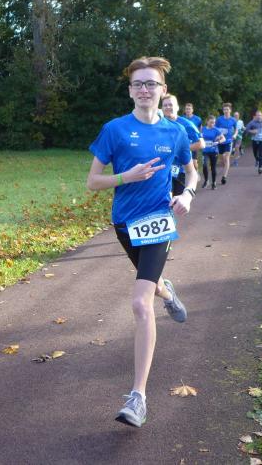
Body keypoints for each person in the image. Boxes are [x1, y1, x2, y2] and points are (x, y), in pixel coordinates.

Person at [87, 56, 197, 428]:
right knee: (152, 287)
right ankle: (167, 291)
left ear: (163, 90)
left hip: (159, 223)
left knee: (139, 301)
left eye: (151, 83)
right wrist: (126, 177)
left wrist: (187, 195)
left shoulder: (175, 132)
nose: (145, 89)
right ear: (130, 91)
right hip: (125, 224)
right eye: (138, 84)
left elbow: (191, 172)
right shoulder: (115, 130)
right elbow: (93, 182)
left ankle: (138, 398)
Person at [162, 94, 204, 195]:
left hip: (181, 169)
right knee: (165, 199)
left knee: (177, 201)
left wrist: (180, 150)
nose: (168, 107)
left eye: (170, 105)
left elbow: (201, 144)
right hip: (163, 168)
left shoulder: (186, 124)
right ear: (162, 108)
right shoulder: (157, 124)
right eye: (165, 105)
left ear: (177, 107)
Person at [200, 116, 225, 189]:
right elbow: (199, 137)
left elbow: (224, 139)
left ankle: (214, 183)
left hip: (214, 151)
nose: (212, 124)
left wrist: (218, 142)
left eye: (214, 122)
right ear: (207, 121)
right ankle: (206, 181)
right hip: (205, 151)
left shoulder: (216, 130)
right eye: (211, 122)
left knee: (213, 167)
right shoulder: (203, 129)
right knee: (204, 165)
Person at [215, 103, 237, 185]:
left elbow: (236, 129)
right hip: (221, 141)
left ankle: (224, 177)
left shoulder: (233, 120)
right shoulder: (219, 119)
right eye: (224, 109)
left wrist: (235, 135)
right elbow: (215, 128)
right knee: (222, 158)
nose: (226, 111)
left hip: (229, 141)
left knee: (226, 157)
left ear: (230, 110)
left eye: (227, 109)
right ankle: (225, 167)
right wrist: (217, 136)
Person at [183, 103, 202, 172]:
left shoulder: (197, 119)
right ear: (185, 110)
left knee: (194, 163)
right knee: (185, 162)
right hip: (184, 142)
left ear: (192, 110)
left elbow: (200, 130)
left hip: (194, 143)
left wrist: (200, 139)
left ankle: (196, 174)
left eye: (189, 109)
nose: (188, 110)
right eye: (186, 109)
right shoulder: (181, 119)